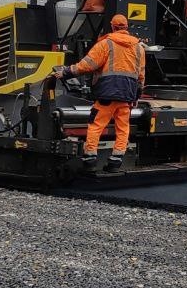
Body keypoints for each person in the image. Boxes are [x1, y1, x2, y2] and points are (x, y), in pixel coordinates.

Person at [53, 13, 146, 172]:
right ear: (126, 28)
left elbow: (86, 65)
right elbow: (141, 75)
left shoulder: (106, 44)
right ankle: (115, 163)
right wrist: (137, 95)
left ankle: (90, 160)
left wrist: (66, 72)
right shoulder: (139, 48)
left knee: (96, 125)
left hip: (107, 94)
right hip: (126, 95)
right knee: (123, 128)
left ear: (112, 26)